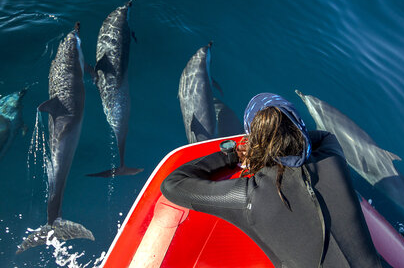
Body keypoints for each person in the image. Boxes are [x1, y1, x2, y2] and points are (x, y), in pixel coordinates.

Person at [161, 93, 382, 267]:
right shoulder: (331, 158)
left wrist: (232, 155)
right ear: (300, 129)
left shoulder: (249, 196)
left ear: (253, 143)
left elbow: (172, 184)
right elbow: (324, 135)